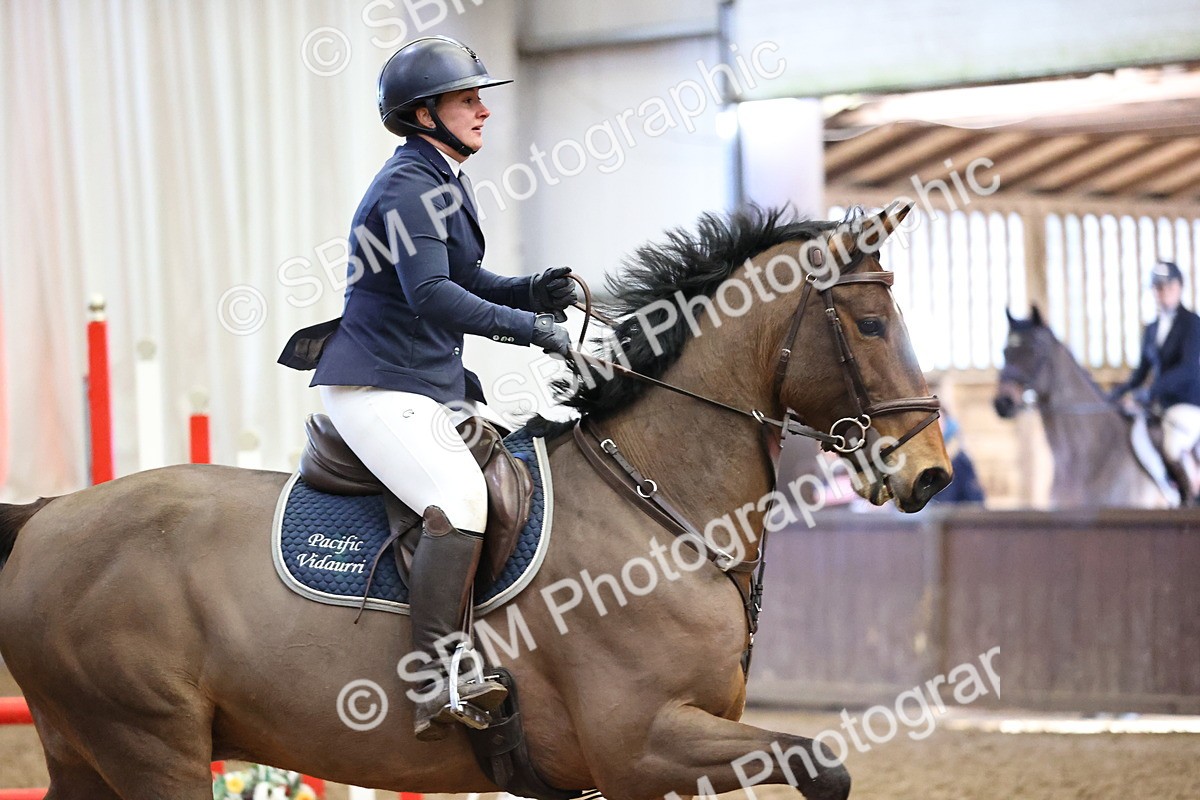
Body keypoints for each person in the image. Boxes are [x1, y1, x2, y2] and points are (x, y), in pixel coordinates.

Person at [278, 36, 575, 740]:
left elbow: (466, 280)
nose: (483, 110)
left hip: (423, 381)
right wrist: (533, 329)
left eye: (480, 98)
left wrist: (534, 289)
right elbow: (434, 296)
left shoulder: (440, 178)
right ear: (423, 113)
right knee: (460, 498)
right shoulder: (409, 187)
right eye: (468, 98)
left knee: (513, 467)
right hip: (377, 383)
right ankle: (437, 674)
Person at [1110, 260, 1200, 504]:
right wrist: (1115, 394)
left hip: (1188, 405)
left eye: (1168, 286)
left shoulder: (1192, 323)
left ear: (1179, 287)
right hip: (1158, 407)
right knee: (1136, 435)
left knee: (1173, 446)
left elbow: (1189, 369)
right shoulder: (1151, 329)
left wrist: (1150, 392)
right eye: (1158, 287)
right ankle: (1164, 487)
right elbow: (1140, 372)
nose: (1162, 292)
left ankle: (1189, 499)